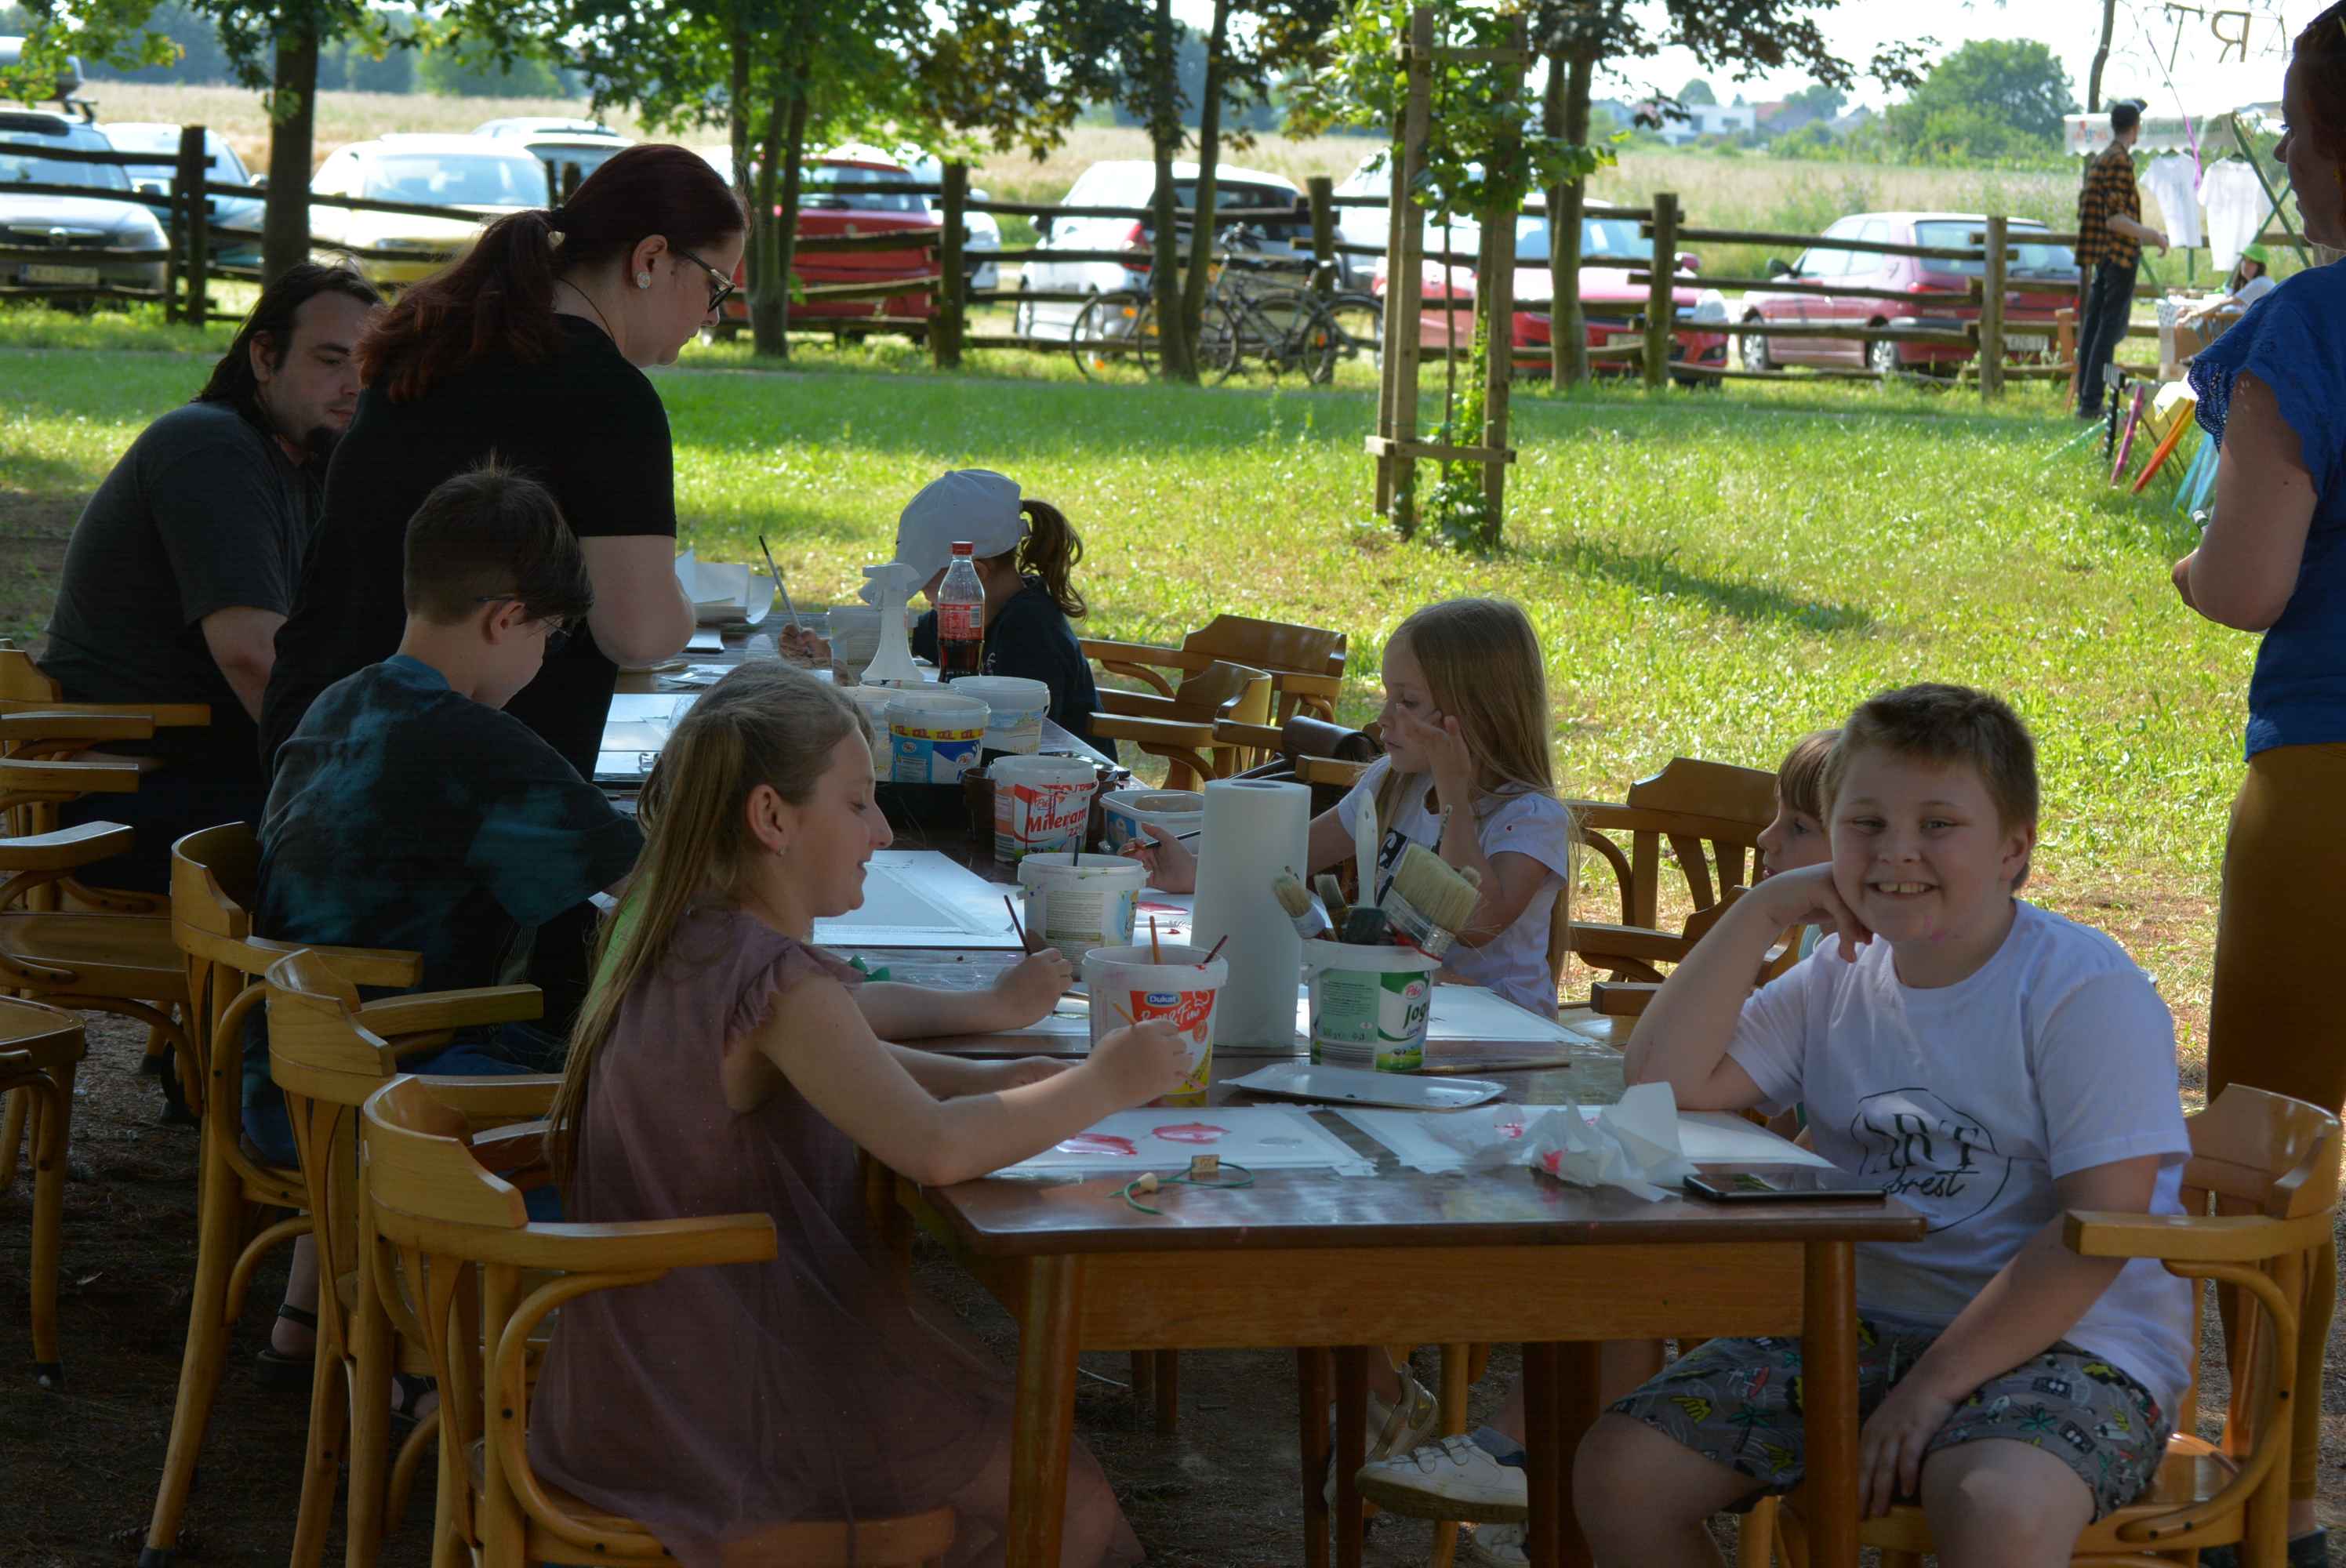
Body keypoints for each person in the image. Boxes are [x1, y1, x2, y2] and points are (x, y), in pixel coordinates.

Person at [528, 661, 1187, 1567]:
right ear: (772, 817)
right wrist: (1107, 1079)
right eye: (857, 803)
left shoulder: (674, 929)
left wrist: (1011, 1061)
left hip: (628, 1372)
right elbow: (935, 1149)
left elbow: (847, 1043)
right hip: (724, 1394)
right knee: (1069, 1503)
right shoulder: (773, 978)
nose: (881, 830)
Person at [1571, 684, 2192, 1568]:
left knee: (1992, 1503)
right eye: (1864, 823)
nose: (1896, 852)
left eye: (1938, 824)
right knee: (1621, 1470)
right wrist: (1764, 910)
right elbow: (1664, 1080)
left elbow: (2102, 1229)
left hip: (2071, 1344)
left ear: (2015, 847)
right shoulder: (1837, 973)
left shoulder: (2079, 987)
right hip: (1859, 1326)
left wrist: (1933, 1387)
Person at [259, 143, 739, 1025]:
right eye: (716, 290)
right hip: (445, 820)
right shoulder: (605, 391)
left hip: (322, 745)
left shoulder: (437, 343)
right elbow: (639, 631)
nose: (711, 318)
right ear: (650, 260)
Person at [245, 462, 641, 1387]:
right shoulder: (477, 745)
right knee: (627, 1110)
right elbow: (653, 882)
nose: (545, 656)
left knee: (436, 1011)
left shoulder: (341, 701)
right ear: (508, 618)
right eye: (549, 633)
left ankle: (309, 1318)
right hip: (388, 1088)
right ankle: (464, 1373)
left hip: (284, 1067)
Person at [2167, 8, 2346, 1562]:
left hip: (2328, 784)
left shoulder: (2306, 323)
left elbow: (2241, 580)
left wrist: (2180, 550)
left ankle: (2265, 1487)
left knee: (2267, 1152)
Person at [36, 263, 381, 890]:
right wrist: (371, 769)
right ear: (264, 356)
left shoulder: (312, 471)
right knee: (401, 845)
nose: (355, 384)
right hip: (124, 800)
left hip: (207, 777)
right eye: (331, 360)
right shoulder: (211, 447)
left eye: (370, 364)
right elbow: (254, 658)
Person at [1132, 597, 1574, 1018]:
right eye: (1387, 696)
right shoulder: (1393, 784)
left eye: (1408, 702)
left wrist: (1454, 794)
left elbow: (1476, 924)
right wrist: (1194, 869)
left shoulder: (1529, 817)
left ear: (1478, 712)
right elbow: (1290, 858)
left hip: (1504, 1035)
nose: (1384, 717)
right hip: (1401, 1011)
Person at [897, 467, 1112, 755]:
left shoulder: (1031, 633)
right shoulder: (982, 613)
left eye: (927, 584)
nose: (925, 597)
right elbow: (911, 633)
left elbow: (1024, 741)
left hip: (1055, 786)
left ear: (973, 574)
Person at [2074, 100, 2171, 419]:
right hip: (2118, 257)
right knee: (2107, 330)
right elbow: (2115, 219)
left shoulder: (2102, 159)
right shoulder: (2119, 161)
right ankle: (2091, 402)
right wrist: (2153, 235)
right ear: (2135, 126)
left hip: (2103, 257)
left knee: (2094, 328)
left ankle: (2086, 401)